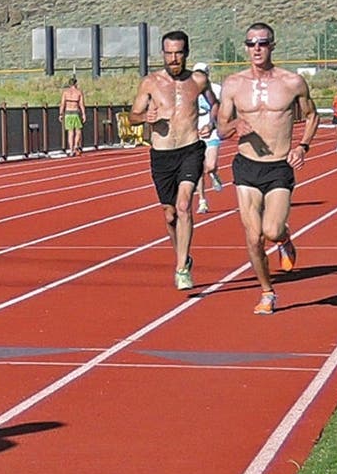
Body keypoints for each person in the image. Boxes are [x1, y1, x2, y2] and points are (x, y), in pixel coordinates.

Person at [217, 22, 319, 315]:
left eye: (262, 42)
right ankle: (267, 292)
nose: (257, 48)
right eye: (251, 43)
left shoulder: (292, 82)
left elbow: (311, 116)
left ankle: (284, 237)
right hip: (246, 165)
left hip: (278, 166)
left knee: (271, 230)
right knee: (252, 236)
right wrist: (236, 124)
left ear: (272, 45)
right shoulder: (233, 84)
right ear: (246, 47)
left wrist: (303, 147)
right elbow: (221, 128)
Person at [129, 32, 214, 291]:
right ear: (162, 54)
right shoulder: (150, 83)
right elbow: (133, 115)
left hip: (190, 148)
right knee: (169, 215)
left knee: (184, 204)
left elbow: (216, 104)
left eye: (178, 53)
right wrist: (145, 117)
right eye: (168, 53)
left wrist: (211, 122)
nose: (173, 58)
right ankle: (183, 257)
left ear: (186, 53)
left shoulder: (198, 80)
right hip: (162, 153)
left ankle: (180, 269)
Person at [192, 61, 224, 213]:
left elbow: (218, 107)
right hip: (195, 133)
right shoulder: (189, 89)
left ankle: (214, 173)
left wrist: (212, 124)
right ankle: (202, 201)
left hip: (211, 132)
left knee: (209, 166)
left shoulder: (216, 89)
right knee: (198, 168)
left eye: (202, 73)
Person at [59, 77, 86, 155]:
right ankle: (76, 145)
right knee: (78, 131)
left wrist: (61, 114)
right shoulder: (79, 92)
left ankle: (71, 150)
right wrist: (84, 114)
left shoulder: (65, 92)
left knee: (70, 132)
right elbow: (81, 104)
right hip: (75, 112)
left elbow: (62, 104)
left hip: (67, 113)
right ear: (76, 84)